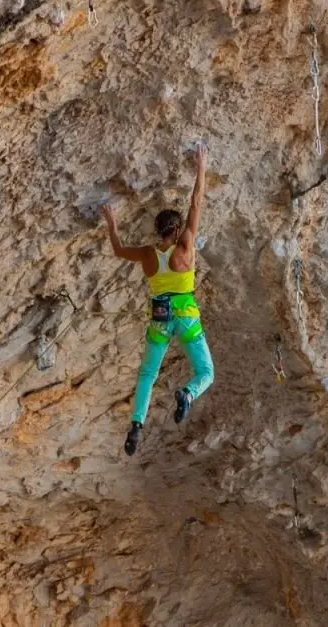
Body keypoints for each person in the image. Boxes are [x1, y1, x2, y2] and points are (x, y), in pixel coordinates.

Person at [99, 144, 215, 456]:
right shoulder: (185, 247)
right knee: (206, 372)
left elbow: (119, 251)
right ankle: (188, 394)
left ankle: (136, 425)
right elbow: (196, 203)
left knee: (148, 375)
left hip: (160, 316)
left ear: (157, 230)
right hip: (186, 312)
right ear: (177, 231)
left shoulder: (148, 255)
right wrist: (201, 166)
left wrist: (111, 222)